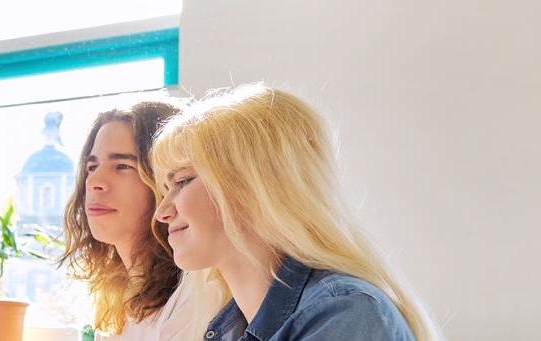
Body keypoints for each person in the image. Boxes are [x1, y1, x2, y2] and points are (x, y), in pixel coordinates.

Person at [151, 84, 439, 340]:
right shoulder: (231, 326)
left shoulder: (345, 314)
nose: (162, 212)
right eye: (166, 189)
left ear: (254, 184)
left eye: (182, 181)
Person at [58, 101, 203, 340]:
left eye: (122, 166)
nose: (95, 182)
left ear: (167, 181)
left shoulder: (193, 298)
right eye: (92, 166)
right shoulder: (117, 300)